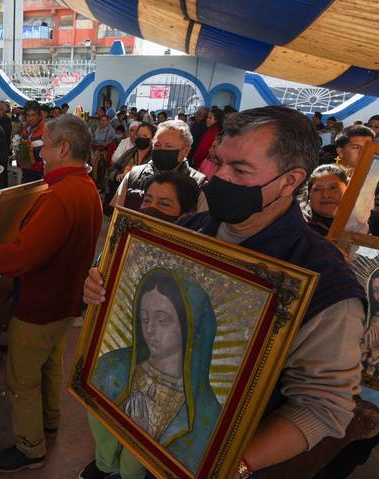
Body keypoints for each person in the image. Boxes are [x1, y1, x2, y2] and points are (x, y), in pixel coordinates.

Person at [82, 106, 366, 479]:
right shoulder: (194, 228)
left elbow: (322, 406)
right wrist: (106, 291)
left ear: (290, 180)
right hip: (138, 442)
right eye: (219, 163)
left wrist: (230, 463)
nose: (220, 178)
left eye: (240, 170)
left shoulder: (324, 281)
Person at [0, 115, 103, 473]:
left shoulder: (61, 195)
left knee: (22, 378)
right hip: (65, 301)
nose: (42, 150)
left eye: (46, 144)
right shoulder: (86, 188)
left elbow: (25, 255)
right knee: (50, 364)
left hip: (41, 303)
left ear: (63, 148)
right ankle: (49, 421)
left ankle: (30, 447)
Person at [90, 269, 221, 476]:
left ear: (190, 327)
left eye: (162, 321)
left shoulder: (207, 412)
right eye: (144, 319)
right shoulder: (113, 367)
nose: (149, 329)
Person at [112, 120, 207, 212]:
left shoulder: (199, 185)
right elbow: (116, 214)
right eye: (157, 145)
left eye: (168, 146)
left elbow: (199, 225)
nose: (162, 149)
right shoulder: (133, 175)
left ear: (186, 151)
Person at [306, 164, 348, 236]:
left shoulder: (361, 224)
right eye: (317, 189)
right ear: (309, 195)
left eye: (333, 188)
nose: (326, 195)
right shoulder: (299, 226)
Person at [16, 101, 45, 183]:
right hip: (26, 175)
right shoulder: (25, 129)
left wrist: (36, 166)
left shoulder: (47, 130)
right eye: (28, 115)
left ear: (40, 115)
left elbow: (53, 158)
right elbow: (19, 148)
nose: (30, 118)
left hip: (41, 179)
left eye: (33, 115)